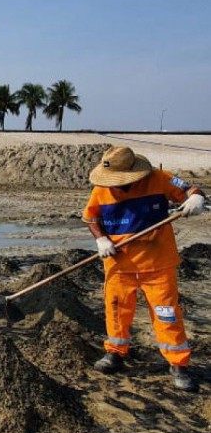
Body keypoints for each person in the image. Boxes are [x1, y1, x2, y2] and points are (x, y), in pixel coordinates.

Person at [82, 146, 205, 391]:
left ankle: (178, 365)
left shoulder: (159, 179)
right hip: (118, 263)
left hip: (157, 262)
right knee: (116, 309)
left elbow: (190, 189)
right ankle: (116, 352)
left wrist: (196, 198)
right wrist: (101, 239)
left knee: (166, 313)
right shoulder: (101, 189)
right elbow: (91, 217)